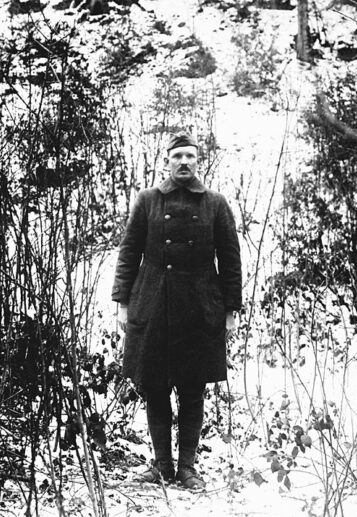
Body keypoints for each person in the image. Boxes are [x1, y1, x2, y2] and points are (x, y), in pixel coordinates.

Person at [111, 131, 241, 490]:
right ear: (166, 161)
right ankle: (162, 465)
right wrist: (122, 303)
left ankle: (187, 467)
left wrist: (231, 310)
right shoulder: (148, 200)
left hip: (200, 308)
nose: (184, 162)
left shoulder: (215, 203)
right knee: (155, 386)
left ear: (199, 162)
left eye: (190, 157)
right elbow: (128, 252)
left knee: (193, 389)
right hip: (153, 304)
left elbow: (230, 260)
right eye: (177, 156)